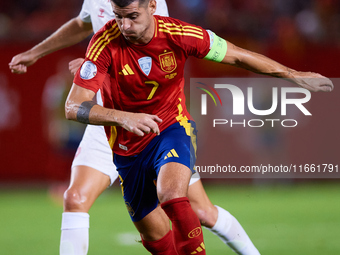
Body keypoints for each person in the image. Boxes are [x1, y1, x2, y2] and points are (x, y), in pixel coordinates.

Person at [64, 0, 333, 254]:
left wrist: (294, 75)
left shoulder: (180, 34)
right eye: (119, 17)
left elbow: (238, 57)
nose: (126, 26)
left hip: (170, 128)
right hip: (126, 147)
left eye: (133, 16)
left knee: (172, 196)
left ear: (153, 6)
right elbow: (73, 106)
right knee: (156, 238)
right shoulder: (104, 43)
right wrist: (124, 117)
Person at [9, 0, 261, 254]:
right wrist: (37, 53)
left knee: (201, 212)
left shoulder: (145, 5)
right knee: (74, 199)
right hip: (107, 118)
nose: (125, 21)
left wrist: (100, 65)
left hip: (152, 123)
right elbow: (81, 23)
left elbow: (153, 50)